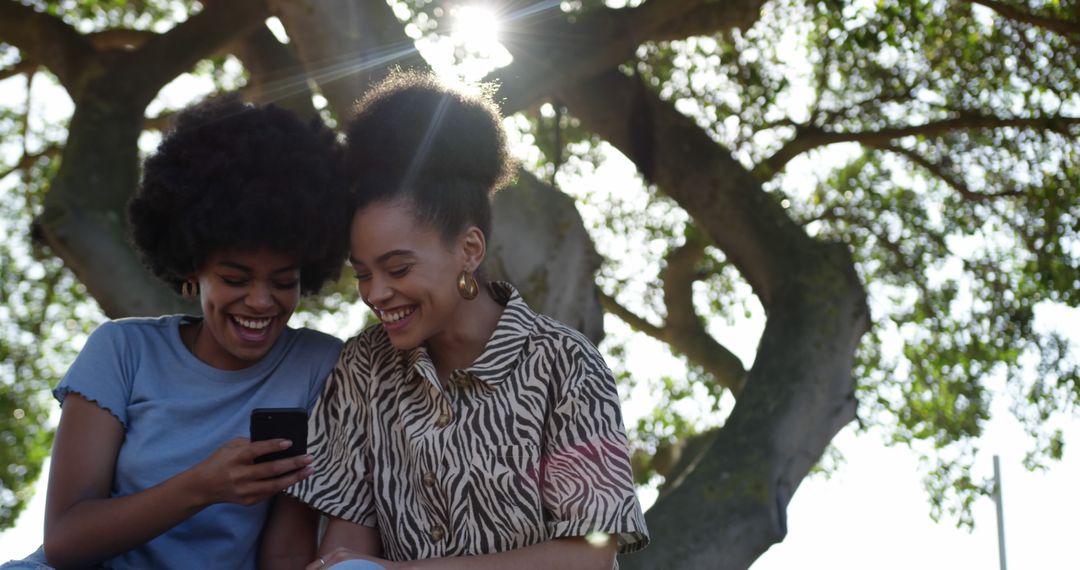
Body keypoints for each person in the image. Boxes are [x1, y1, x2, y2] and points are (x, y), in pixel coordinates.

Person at [266, 71, 649, 570]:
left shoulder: (565, 364)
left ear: (469, 249)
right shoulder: (364, 366)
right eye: (362, 272)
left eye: (398, 268)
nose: (376, 293)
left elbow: (590, 555)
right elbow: (349, 537)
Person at [1, 97, 351, 570]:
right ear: (192, 266)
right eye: (235, 279)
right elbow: (65, 541)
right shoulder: (122, 350)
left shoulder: (320, 365)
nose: (261, 301)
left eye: (283, 281)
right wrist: (202, 486)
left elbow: (286, 549)